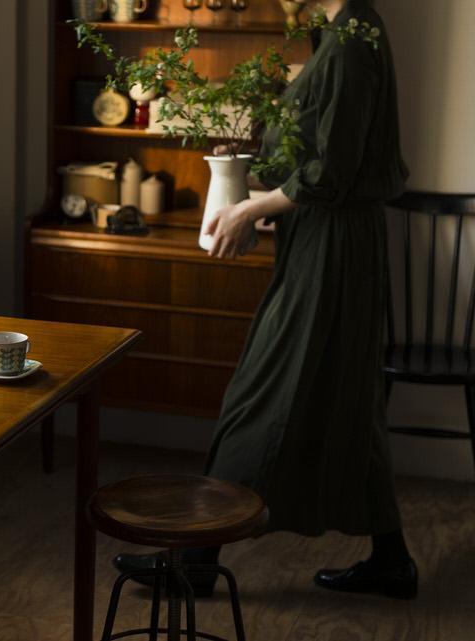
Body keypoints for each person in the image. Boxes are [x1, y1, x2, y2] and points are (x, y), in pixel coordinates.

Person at [116, 0, 417, 598]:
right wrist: (256, 187)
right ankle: (392, 560)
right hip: (329, 239)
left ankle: (196, 556)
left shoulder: (352, 38)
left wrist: (253, 206)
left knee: (264, 392)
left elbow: (330, 171)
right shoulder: (338, 33)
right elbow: (318, 160)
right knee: (347, 398)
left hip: (334, 245)